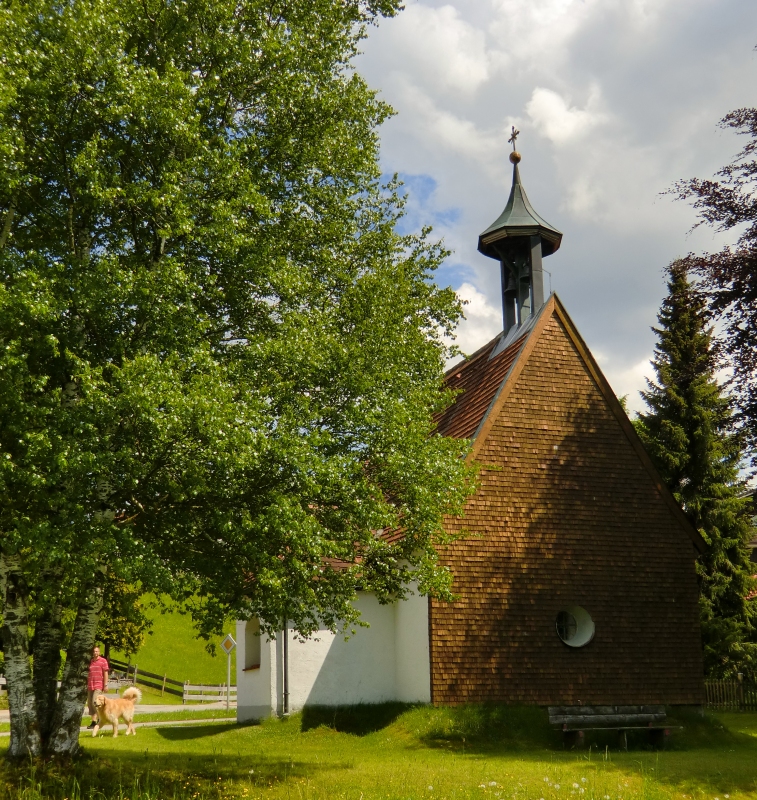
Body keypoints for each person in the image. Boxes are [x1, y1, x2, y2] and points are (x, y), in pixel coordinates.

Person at [87, 645, 110, 729]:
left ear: (99, 652)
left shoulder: (103, 661)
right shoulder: (90, 662)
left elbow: (105, 673)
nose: (95, 653)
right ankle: (93, 722)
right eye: (94, 651)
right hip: (90, 685)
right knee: (90, 704)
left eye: (97, 651)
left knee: (95, 702)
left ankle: (101, 719)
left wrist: (106, 685)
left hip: (98, 685)